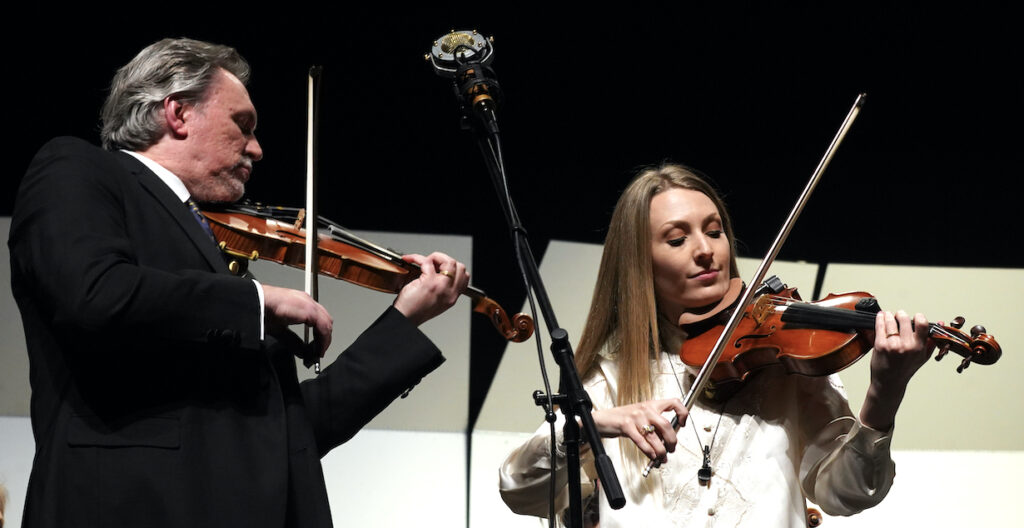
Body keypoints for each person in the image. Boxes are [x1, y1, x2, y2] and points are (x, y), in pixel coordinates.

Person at [9, 38, 470, 528]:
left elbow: (285, 430)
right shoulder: (79, 169)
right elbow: (94, 293)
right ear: (178, 114)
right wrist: (256, 301)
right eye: (243, 126)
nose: (257, 148)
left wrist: (405, 318)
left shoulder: (214, 251)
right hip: (131, 506)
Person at [499, 163, 934, 527]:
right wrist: (595, 425)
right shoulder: (609, 379)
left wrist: (884, 393)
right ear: (638, 263)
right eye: (677, 239)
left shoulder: (786, 361)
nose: (706, 251)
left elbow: (848, 495)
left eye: (715, 231)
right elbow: (522, 492)